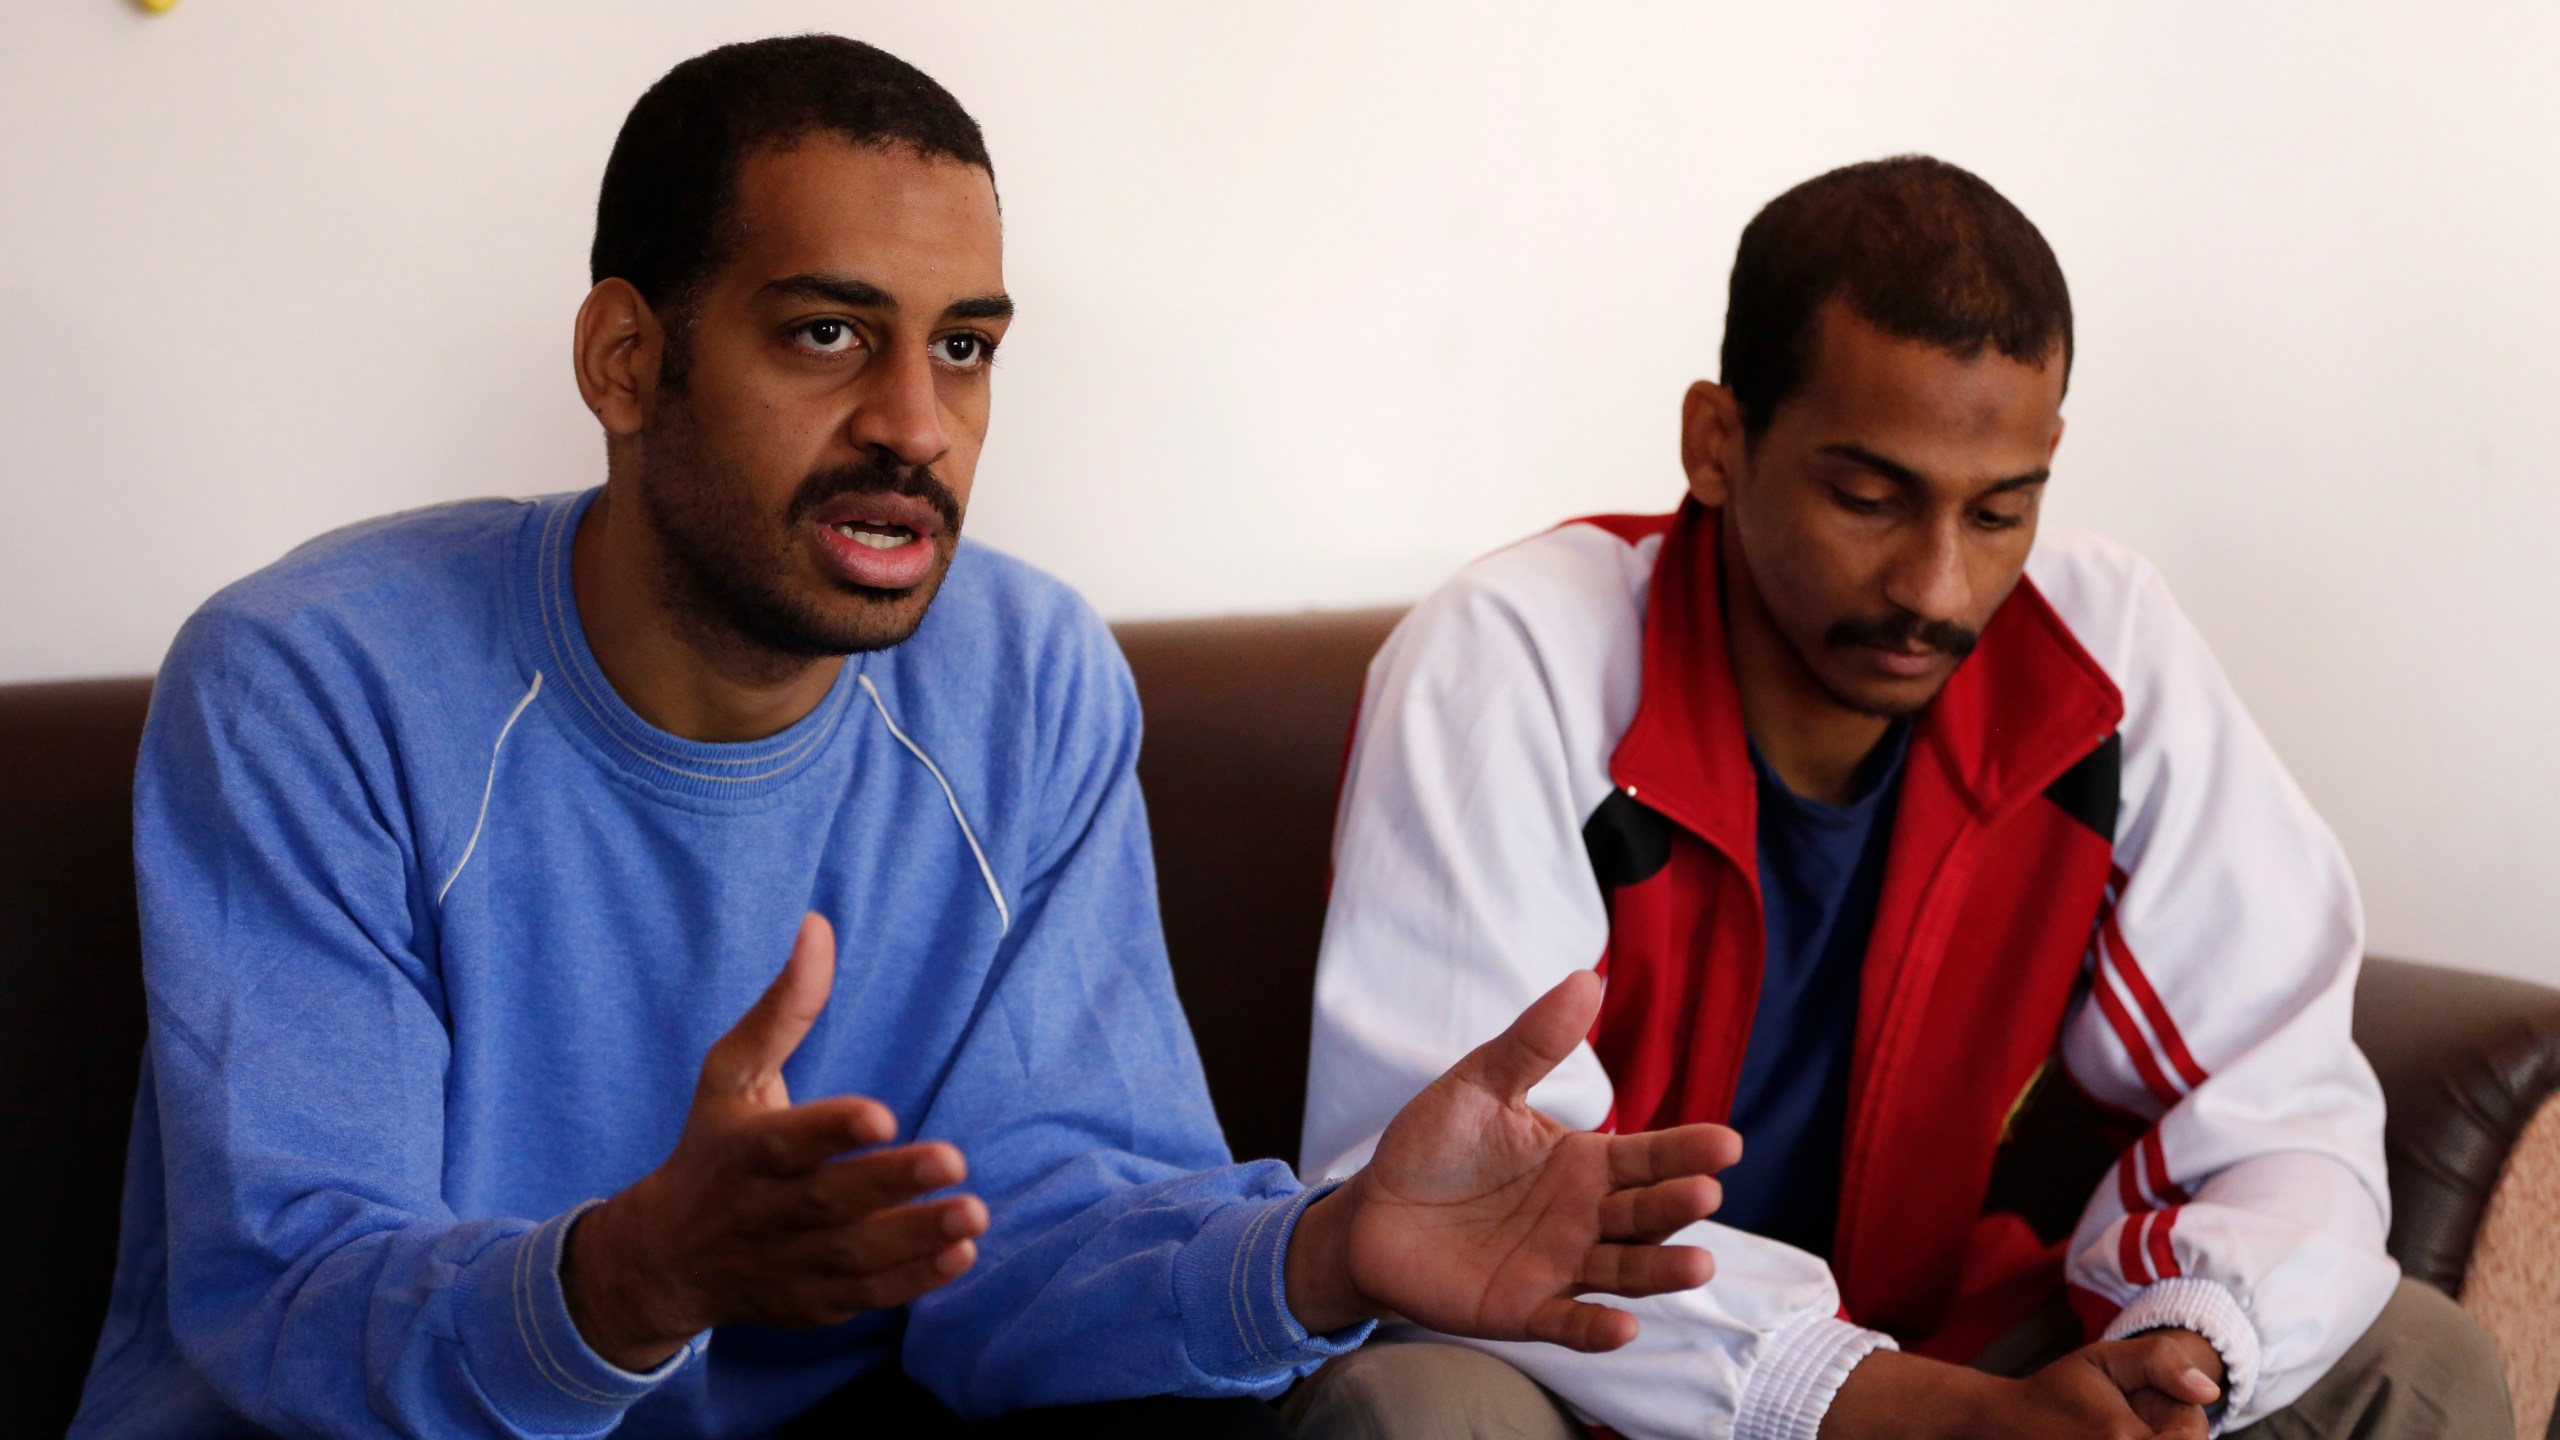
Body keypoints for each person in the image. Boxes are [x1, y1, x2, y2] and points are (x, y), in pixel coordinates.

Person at [68, 36, 1744, 1439]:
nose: (916, 426)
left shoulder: (1024, 675)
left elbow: (1033, 1251)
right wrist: (633, 1274)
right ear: (625, 359)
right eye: (827, 334)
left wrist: (1322, 1255)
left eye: (965, 350)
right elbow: (285, 1295)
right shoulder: (314, 683)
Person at [1290, 157, 2511, 1440]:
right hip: (1596, 1373)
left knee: (2410, 1360)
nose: (1935, 585)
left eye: (1997, 512)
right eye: (1867, 500)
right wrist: (1887, 1407)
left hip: (1948, 1347)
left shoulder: (2104, 651)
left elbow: (2282, 1096)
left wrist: (2186, 1346)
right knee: (1417, 1407)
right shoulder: (1511, 659)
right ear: (1717, 443)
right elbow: (1462, 1212)